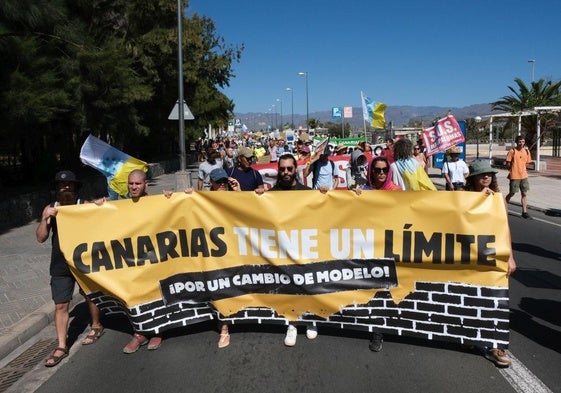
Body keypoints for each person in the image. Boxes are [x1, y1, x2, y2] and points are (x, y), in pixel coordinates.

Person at [36, 171, 105, 367]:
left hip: (82, 260)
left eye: (69, 185)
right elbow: (40, 238)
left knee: (89, 295)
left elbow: (102, 221)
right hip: (59, 263)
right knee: (60, 304)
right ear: (57, 188)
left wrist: (99, 206)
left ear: (74, 187)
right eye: (61, 185)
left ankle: (96, 324)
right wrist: (44, 220)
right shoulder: (50, 208)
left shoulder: (83, 204)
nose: (65, 188)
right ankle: (61, 345)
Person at [464, 159, 517, 367]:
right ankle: (468, 336)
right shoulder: (464, 197)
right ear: (473, 178)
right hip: (470, 256)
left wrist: (510, 256)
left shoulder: (498, 199)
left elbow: (505, 228)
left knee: (495, 299)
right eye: (481, 174)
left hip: (493, 256)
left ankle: (496, 346)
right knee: (470, 297)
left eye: (489, 174)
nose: (486, 177)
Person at [269, 154, 318, 345]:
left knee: (308, 285)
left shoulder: (307, 192)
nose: (286, 172)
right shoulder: (270, 195)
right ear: (278, 170)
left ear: (295, 169)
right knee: (288, 288)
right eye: (282, 169)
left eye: (289, 169)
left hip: (305, 249)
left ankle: (311, 320)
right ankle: (292, 323)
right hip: (283, 251)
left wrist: (323, 195)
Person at [354, 157, 402, 351]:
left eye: (384, 170)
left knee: (388, 290)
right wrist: (354, 197)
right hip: (368, 247)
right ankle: (374, 327)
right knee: (372, 289)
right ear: (371, 172)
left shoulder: (398, 192)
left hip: (391, 246)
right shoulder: (363, 191)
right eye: (377, 170)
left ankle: (383, 328)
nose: (381, 173)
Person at [122, 170, 164, 353]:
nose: (133, 187)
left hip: (154, 259)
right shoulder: (120, 205)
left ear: (145, 184)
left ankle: (157, 331)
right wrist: (100, 206)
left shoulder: (155, 202)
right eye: (131, 183)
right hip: (133, 260)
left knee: (156, 294)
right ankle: (139, 333)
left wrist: (170, 199)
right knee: (135, 295)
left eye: (137, 184)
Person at [505, 135, 532, 219]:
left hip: (524, 176)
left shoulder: (527, 151)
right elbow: (508, 163)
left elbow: (527, 163)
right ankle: (503, 207)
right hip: (514, 176)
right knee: (512, 193)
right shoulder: (512, 151)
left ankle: (524, 212)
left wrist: (522, 169)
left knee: (524, 193)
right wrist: (513, 170)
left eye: (523, 142)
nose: (521, 143)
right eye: (520, 142)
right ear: (516, 142)